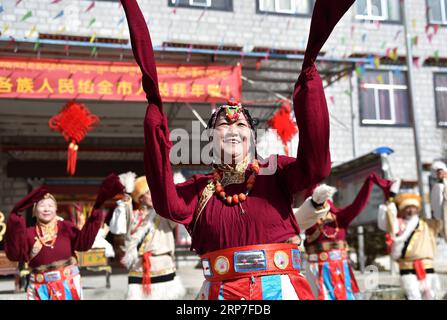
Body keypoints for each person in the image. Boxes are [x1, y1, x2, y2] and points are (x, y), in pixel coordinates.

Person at [120, 0, 355, 300]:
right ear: (211, 139)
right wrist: (155, 116)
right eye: (224, 126)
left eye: (242, 126)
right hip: (221, 294)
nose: (233, 129)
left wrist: (308, 83)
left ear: (251, 139)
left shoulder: (276, 171)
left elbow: (316, 167)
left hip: (280, 290)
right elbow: (167, 204)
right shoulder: (199, 189)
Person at [4, 174, 123, 300]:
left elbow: (82, 244)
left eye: (50, 206)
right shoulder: (28, 233)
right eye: (42, 205)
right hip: (39, 287)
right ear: (35, 211)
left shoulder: (66, 227)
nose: (46, 209)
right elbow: (15, 254)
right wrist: (15, 219)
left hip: (67, 283)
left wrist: (96, 211)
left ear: (56, 209)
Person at [304, 173, 392, 300]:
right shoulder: (307, 219)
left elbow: (359, 203)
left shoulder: (341, 217)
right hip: (317, 267)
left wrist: (370, 181)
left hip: (341, 267)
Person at [109, 174, 185, 300]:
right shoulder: (134, 216)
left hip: (162, 265)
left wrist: (174, 192)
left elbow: (177, 213)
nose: (153, 196)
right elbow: (117, 228)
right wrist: (125, 203)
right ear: (141, 198)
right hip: (138, 267)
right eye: (149, 193)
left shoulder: (163, 213)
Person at [379, 191, 443, 300]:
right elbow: (387, 224)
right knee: (413, 295)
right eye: (407, 208)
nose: (410, 210)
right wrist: (389, 203)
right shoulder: (397, 225)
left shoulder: (429, 224)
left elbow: (442, 217)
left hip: (426, 265)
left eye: (413, 207)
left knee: (430, 295)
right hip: (406, 266)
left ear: (417, 209)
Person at [430, 160, 447, 241]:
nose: (440, 174)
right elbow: (436, 208)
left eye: (442, 171)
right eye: (438, 172)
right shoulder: (438, 187)